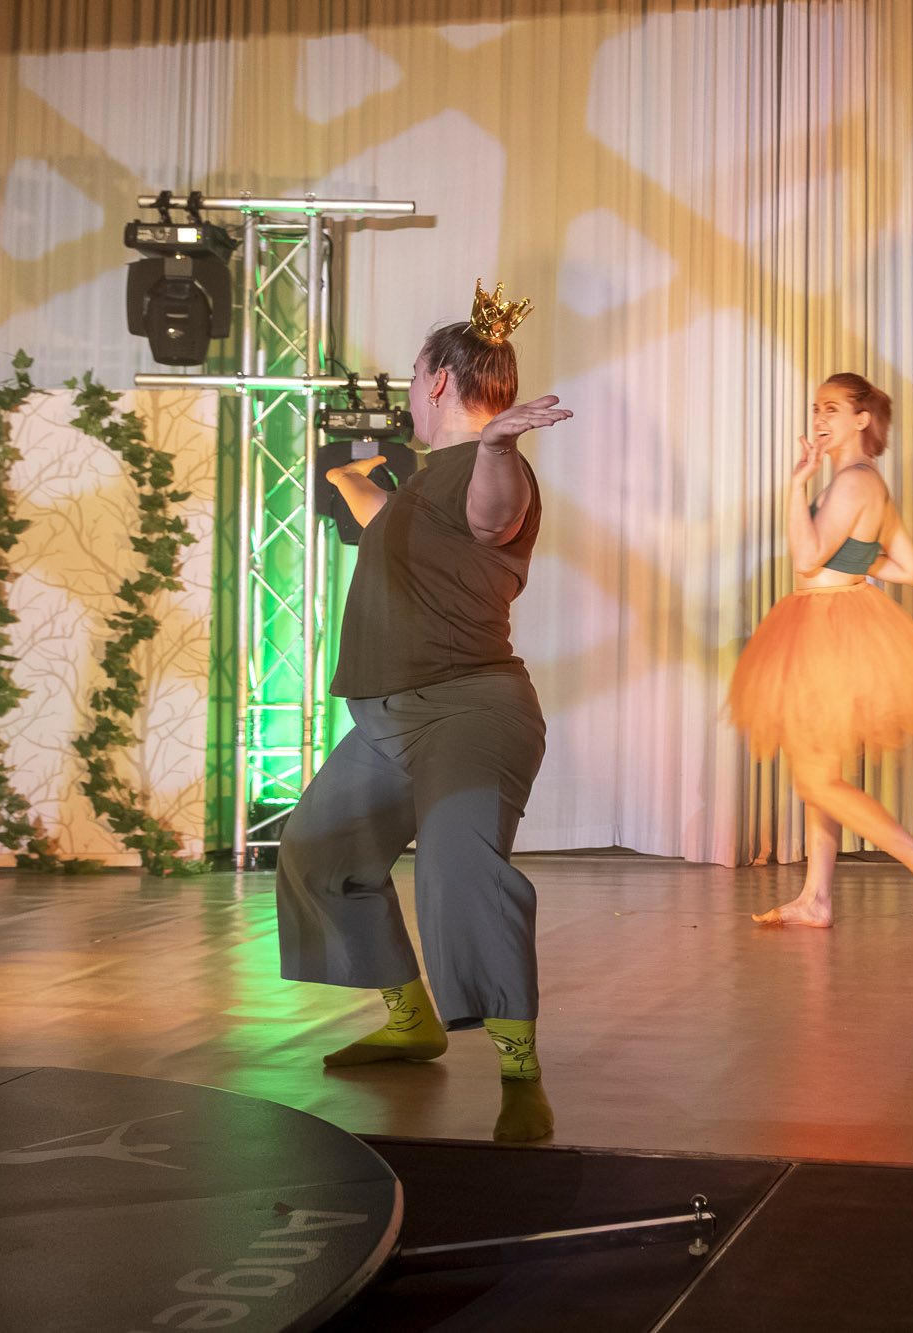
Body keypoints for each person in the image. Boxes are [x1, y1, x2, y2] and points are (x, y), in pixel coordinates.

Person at [277, 280, 571, 1143]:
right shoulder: (419, 483)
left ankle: (520, 1070)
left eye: (413, 373)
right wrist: (349, 477)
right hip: (383, 721)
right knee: (319, 853)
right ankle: (412, 1021)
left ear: (439, 380)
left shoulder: (491, 470)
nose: (409, 387)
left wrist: (500, 446)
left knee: (457, 864)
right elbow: (393, 525)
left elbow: (489, 519)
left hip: (468, 712)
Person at [726, 373, 913, 931]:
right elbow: (909, 568)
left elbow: (806, 559)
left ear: (862, 420)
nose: (819, 419)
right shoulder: (864, 481)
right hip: (833, 627)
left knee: (815, 779)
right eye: (816, 408)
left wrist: (796, 486)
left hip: (827, 632)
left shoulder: (852, 481)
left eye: (832, 409)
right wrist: (857, 555)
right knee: (818, 773)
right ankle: (816, 897)